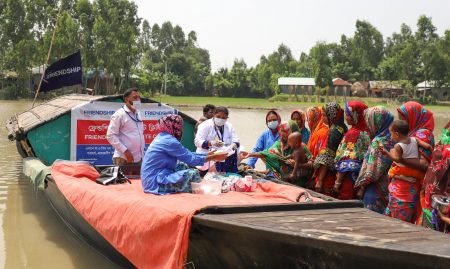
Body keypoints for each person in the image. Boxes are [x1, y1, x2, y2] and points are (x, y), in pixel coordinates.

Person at [141, 114, 227, 194]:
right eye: (179, 126)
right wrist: (213, 157)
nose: (181, 129)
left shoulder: (163, 136)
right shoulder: (169, 141)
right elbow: (191, 159)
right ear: (173, 126)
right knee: (193, 173)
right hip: (155, 183)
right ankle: (198, 191)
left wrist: (208, 155)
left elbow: (186, 154)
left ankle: (191, 187)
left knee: (182, 165)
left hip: (152, 178)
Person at [380, 120, 432, 223]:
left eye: (391, 133)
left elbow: (398, 159)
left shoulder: (398, 146)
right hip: (414, 172)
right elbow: (428, 146)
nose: (390, 136)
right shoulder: (414, 139)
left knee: (393, 171)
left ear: (397, 134)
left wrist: (386, 152)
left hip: (402, 171)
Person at [396, 101, 435, 225]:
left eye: (404, 120)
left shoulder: (423, 134)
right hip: (403, 186)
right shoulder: (414, 133)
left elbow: (424, 164)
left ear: (414, 117)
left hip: (409, 188)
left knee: (400, 226)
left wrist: (400, 159)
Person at [242, 121, 312, 185]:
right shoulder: (279, 144)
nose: (281, 133)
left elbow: (311, 164)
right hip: (284, 180)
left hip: (299, 182)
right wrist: (250, 154)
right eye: (281, 130)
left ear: (292, 132)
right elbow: (267, 153)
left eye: (284, 131)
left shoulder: (302, 147)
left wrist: (299, 165)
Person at [354, 106, 394, 214]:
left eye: (369, 121)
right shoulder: (395, 138)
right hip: (390, 188)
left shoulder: (378, 142)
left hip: (375, 189)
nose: (368, 125)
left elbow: (372, 171)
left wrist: (362, 189)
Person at [333, 101, 370, 200]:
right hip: (364, 180)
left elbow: (347, 159)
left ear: (356, 116)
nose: (345, 117)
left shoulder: (353, 133)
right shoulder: (369, 131)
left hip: (349, 178)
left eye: (348, 114)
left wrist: (338, 182)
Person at [312, 102, 348, 196]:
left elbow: (327, 157)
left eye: (324, 115)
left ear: (332, 116)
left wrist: (320, 180)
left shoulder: (334, 131)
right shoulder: (342, 127)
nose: (322, 118)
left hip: (329, 174)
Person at [194, 106, 240, 173]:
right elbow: (197, 142)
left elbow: (236, 139)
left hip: (225, 151)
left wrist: (234, 144)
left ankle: (229, 174)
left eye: (224, 118)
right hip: (208, 152)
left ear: (227, 118)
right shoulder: (204, 125)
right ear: (214, 115)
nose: (221, 119)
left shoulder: (229, 126)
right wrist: (211, 143)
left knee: (235, 151)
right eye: (218, 117)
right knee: (217, 156)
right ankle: (213, 174)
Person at [106, 88, 144, 165]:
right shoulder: (119, 114)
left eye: (139, 97)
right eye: (135, 97)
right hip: (123, 158)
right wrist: (125, 152)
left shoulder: (138, 113)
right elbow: (110, 135)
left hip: (138, 158)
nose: (138, 99)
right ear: (126, 99)